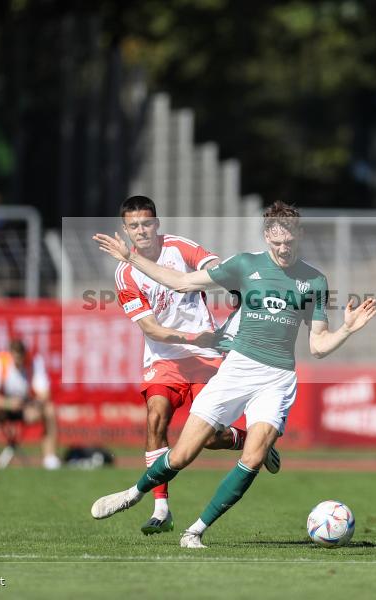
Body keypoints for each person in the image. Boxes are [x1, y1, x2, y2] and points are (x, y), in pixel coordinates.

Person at [90, 201, 376, 548]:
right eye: (276, 242)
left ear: (299, 235)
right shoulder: (244, 265)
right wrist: (130, 257)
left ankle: (195, 531)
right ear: (266, 237)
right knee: (182, 455)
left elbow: (317, 345)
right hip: (236, 371)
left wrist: (346, 329)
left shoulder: (314, 280)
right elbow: (181, 282)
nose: (283, 249)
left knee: (253, 459)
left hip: (277, 379)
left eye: (289, 242)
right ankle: (134, 494)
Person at [113, 195, 279, 536]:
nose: (141, 231)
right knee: (156, 418)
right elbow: (151, 329)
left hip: (204, 357)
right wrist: (193, 338)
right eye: (133, 226)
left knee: (207, 438)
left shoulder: (178, 247)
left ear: (157, 224)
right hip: (164, 358)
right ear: (125, 230)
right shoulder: (125, 274)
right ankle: (161, 509)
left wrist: (234, 286)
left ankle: (251, 441)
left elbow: (213, 265)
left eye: (146, 223)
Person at [0, 339, 60, 470]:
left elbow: (44, 393)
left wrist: (36, 405)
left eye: (21, 357)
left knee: (49, 409)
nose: (19, 361)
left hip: (26, 407)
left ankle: (50, 458)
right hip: (4, 408)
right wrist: (8, 403)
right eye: (16, 357)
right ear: (10, 354)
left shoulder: (33, 362)